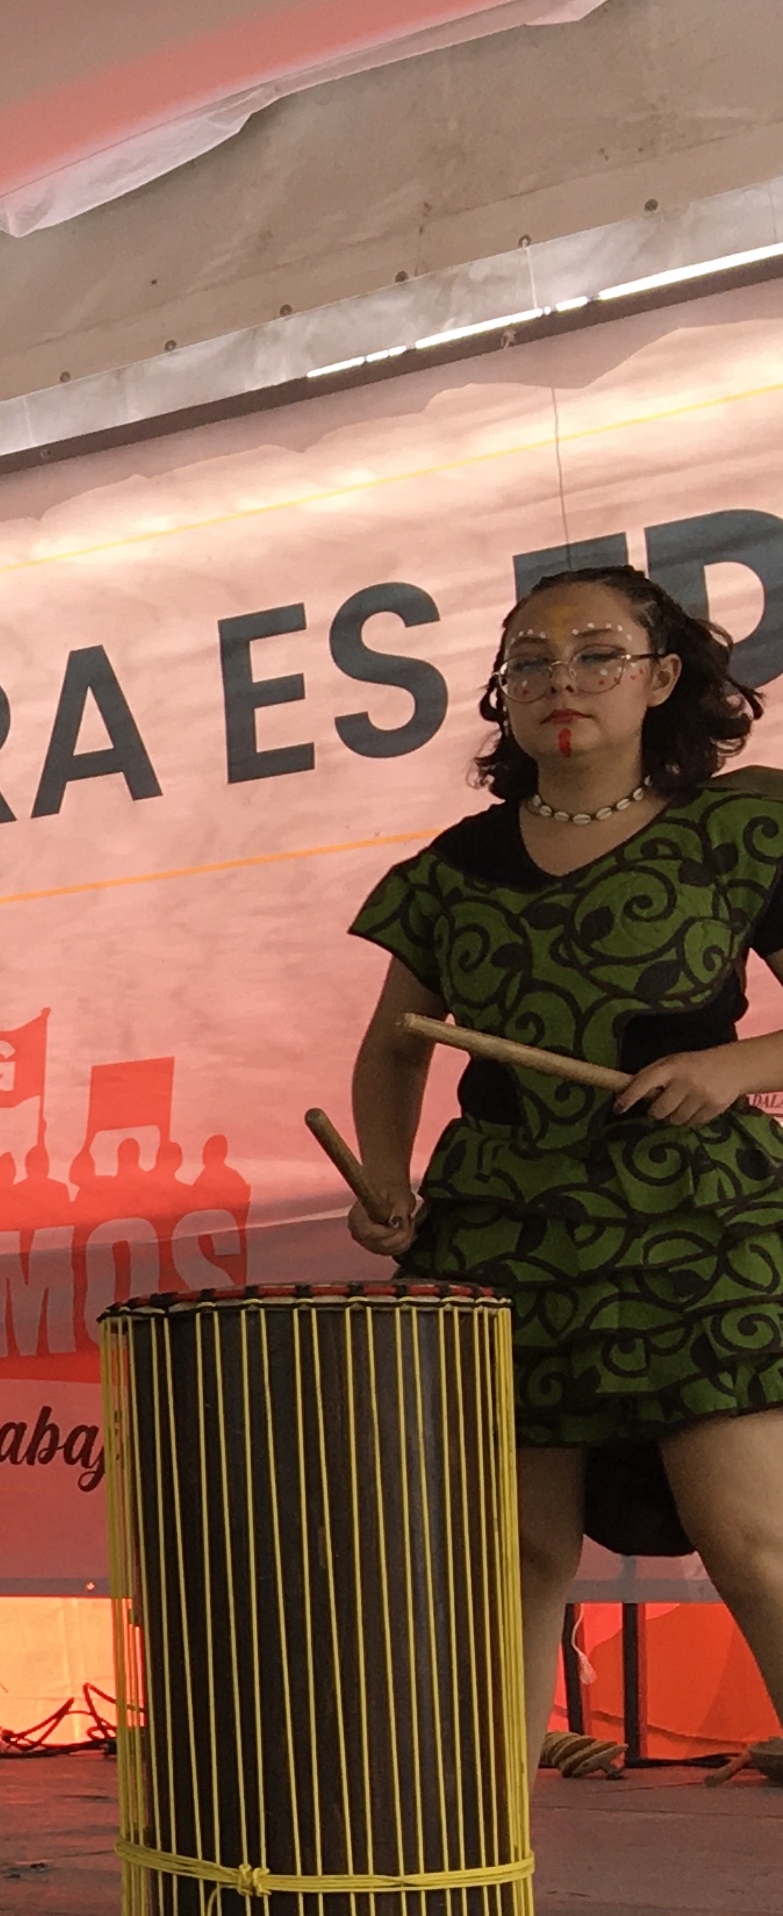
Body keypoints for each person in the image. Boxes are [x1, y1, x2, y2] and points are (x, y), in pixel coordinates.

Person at [343, 564, 783, 1779]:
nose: (560, 684)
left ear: (662, 677)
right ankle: (476, 1873)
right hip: (502, 1233)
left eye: (596, 654)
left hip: (702, 1221)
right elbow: (393, 1046)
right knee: (515, 1560)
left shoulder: (744, 825)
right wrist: (386, 1179)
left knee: (751, 1539)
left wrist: (738, 1065)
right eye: (528, 663)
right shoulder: (455, 868)